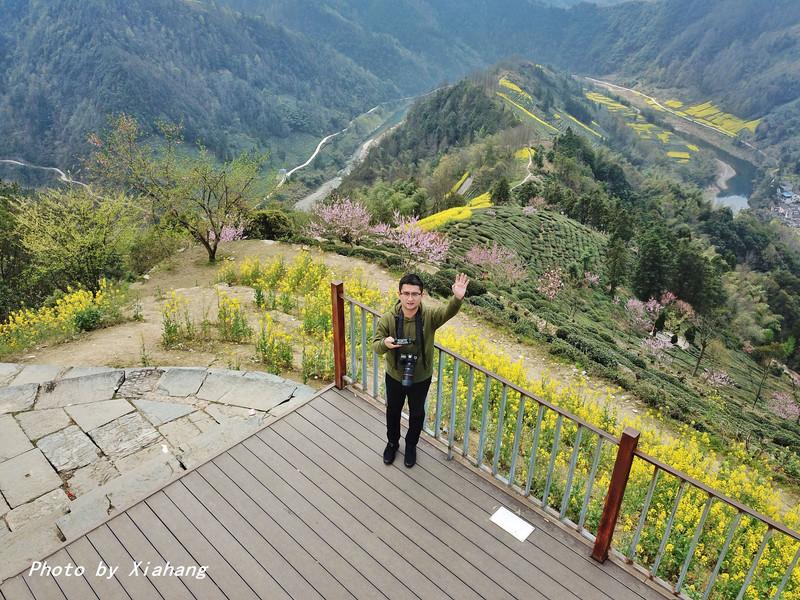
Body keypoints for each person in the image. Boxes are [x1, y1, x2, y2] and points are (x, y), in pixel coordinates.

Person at [372, 272, 469, 467]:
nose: (410, 298)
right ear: (399, 294)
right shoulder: (389, 319)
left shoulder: (429, 317)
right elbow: (375, 346)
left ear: (421, 295)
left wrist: (457, 298)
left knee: (417, 414)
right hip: (394, 375)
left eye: (415, 294)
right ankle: (392, 443)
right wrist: (385, 343)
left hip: (421, 377)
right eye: (406, 293)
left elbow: (447, 312)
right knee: (393, 411)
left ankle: (410, 445)